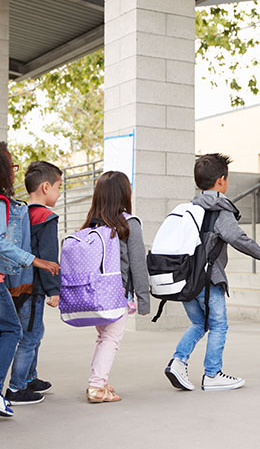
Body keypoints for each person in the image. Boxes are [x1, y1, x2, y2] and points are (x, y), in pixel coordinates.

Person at [164, 153, 260, 392]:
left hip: (186, 278)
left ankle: (178, 361)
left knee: (199, 323)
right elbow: (238, 238)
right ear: (221, 181)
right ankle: (212, 374)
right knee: (218, 325)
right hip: (208, 278)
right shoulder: (218, 209)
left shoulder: (190, 208)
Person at [0, 143, 59, 416]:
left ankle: (28, 378)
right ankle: (16, 386)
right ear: (46, 187)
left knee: (27, 332)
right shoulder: (44, 216)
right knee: (25, 333)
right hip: (31, 287)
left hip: (14, 284)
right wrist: (53, 289)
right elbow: (48, 257)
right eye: (59, 187)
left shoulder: (22, 211)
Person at [81, 171, 150, 403]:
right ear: (124, 194)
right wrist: (143, 298)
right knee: (111, 338)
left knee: (103, 337)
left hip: (93, 292)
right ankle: (97, 387)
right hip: (115, 292)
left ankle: (99, 380)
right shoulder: (129, 224)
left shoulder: (91, 224)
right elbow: (138, 264)